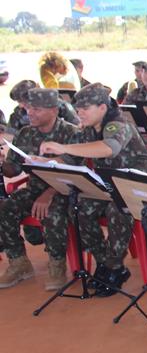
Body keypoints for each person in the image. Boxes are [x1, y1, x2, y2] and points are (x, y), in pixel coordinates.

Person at [39, 84, 147, 296]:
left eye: (85, 108)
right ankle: (107, 262)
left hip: (139, 186)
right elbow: (70, 158)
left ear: (103, 108)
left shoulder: (118, 124)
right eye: (78, 109)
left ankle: (113, 267)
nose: (80, 113)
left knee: (118, 210)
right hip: (110, 186)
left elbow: (108, 148)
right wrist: (44, 161)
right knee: (79, 208)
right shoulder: (88, 130)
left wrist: (63, 147)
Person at [0, 89, 80, 290]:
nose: (30, 113)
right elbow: (13, 170)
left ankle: (57, 264)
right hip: (35, 189)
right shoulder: (25, 133)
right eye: (28, 108)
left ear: (53, 110)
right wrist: (3, 163)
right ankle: (19, 262)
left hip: (65, 191)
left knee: (53, 211)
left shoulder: (71, 134)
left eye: (36, 109)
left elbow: (73, 174)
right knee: (6, 206)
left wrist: (48, 194)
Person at [5, 80, 79, 135]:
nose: (21, 106)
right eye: (19, 102)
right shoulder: (19, 112)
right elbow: (9, 135)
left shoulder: (59, 105)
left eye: (24, 101)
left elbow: (77, 126)